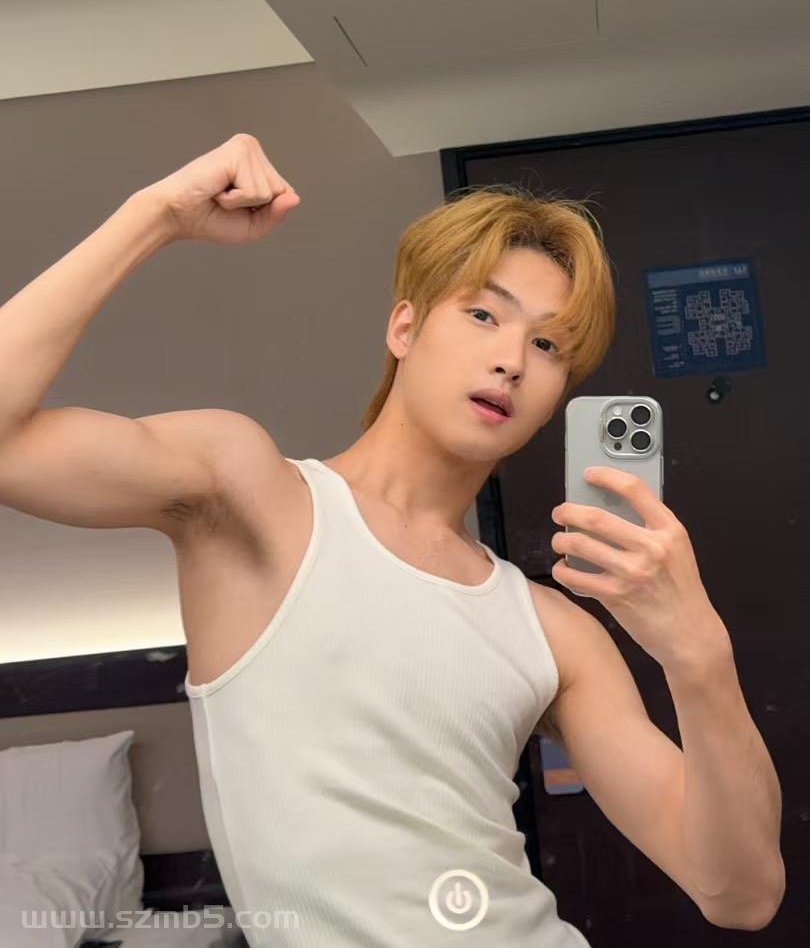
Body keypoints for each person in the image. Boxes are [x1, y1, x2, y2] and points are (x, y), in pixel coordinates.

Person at [0, 134, 784, 945]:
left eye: (548, 345)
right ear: (404, 327)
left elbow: (741, 892)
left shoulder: (556, 632)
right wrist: (155, 214)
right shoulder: (251, 497)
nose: (512, 360)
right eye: (483, 314)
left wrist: (700, 654)